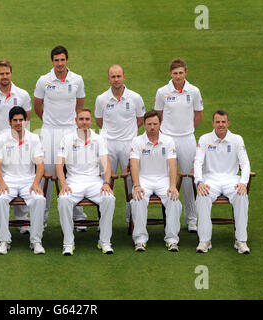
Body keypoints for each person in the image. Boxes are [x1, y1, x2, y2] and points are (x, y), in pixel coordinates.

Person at [34, 45, 87, 229]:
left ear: (67, 60)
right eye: (56, 60)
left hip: (72, 130)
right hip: (49, 132)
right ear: (52, 61)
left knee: (74, 171)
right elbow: (38, 106)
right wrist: (51, 123)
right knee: (46, 174)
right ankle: (42, 217)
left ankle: (78, 216)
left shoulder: (77, 80)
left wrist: (70, 124)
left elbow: (80, 105)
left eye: (62, 60)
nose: (59, 64)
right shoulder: (43, 80)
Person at [0, 59, 32, 234]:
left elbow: (27, 119)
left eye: (7, 73)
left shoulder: (23, 95)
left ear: (11, 73)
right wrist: (1, 136)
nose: (4, 76)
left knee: (20, 175)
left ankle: (22, 220)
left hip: (18, 140)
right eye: (1, 73)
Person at [56, 108, 115, 256]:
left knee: (109, 198)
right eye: (81, 119)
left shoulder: (98, 139)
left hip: (94, 181)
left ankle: (105, 241)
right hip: (73, 182)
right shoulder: (67, 139)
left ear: (91, 121)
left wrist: (106, 183)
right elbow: (59, 165)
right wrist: (64, 185)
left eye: (87, 119)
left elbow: (106, 164)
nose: (84, 122)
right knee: (63, 200)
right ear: (76, 121)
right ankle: (68, 243)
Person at [154, 58, 203, 233]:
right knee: (168, 178)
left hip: (188, 139)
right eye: (175, 73)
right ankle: (170, 218)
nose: (178, 76)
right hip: (167, 139)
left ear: (186, 72)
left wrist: (188, 130)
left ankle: (191, 219)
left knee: (189, 179)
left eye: (181, 73)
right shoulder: (162, 92)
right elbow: (158, 116)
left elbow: (198, 114)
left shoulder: (194, 91)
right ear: (170, 74)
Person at [194, 110, 251, 254]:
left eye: (223, 122)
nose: (221, 125)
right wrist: (199, 182)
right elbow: (198, 162)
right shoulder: (204, 139)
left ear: (228, 123)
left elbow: (245, 164)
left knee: (241, 195)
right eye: (218, 122)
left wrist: (243, 182)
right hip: (210, 180)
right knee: (202, 195)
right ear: (213, 123)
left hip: (231, 180)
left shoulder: (237, 139)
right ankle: (204, 240)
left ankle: (241, 241)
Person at [0, 107, 46, 255]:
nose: (18, 123)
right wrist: (2, 183)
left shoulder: (34, 138)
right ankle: (4, 240)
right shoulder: (1, 138)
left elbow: (40, 164)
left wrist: (36, 183)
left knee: (39, 200)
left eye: (21, 120)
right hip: (8, 180)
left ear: (25, 121)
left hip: (28, 181)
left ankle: (36, 241)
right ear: (9, 122)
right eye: (15, 120)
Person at [95, 64, 145, 224]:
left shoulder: (135, 98)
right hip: (108, 144)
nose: (116, 80)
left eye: (118, 76)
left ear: (124, 77)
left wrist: (127, 134)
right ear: (109, 78)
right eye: (113, 77)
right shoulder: (101, 99)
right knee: (105, 180)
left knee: (132, 180)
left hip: (128, 145)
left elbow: (140, 119)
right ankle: (103, 219)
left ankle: (132, 217)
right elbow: (99, 121)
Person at [129, 110, 182, 252]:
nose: (152, 127)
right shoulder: (137, 141)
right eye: (149, 124)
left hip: (163, 180)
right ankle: (140, 239)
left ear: (160, 124)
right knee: (138, 198)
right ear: (144, 125)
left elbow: (172, 164)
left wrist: (172, 185)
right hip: (144, 179)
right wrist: (137, 185)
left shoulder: (168, 141)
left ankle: (172, 239)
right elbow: (134, 164)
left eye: (155, 124)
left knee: (173, 198)